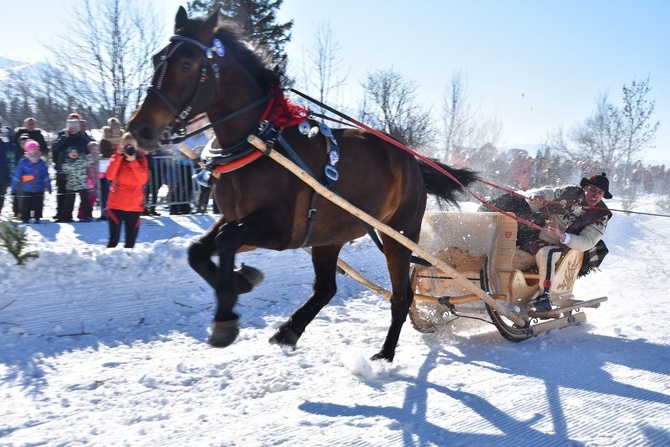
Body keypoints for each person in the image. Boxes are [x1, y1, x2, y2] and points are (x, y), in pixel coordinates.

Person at [520, 173, 613, 312]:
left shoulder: (601, 216)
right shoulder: (569, 191)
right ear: (585, 188)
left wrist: (562, 235)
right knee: (513, 255)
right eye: (593, 190)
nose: (596, 195)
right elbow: (548, 193)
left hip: (564, 249)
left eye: (600, 193)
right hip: (537, 239)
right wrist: (537, 195)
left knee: (547, 253)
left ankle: (544, 296)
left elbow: (586, 242)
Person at [105, 132, 149, 248]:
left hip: (134, 204)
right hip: (116, 204)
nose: (129, 149)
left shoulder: (141, 158)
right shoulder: (116, 157)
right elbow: (109, 176)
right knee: (113, 239)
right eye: (126, 146)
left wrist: (133, 161)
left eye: (132, 146)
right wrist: (119, 157)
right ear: (121, 145)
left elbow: (143, 179)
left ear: (136, 147)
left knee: (131, 240)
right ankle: (109, 261)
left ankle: (129, 263)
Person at [51, 113, 93, 220]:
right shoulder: (62, 135)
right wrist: (66, 137)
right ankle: (62, 214)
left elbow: (88, 149)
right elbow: (56, 148)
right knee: (62, 193)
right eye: (71, 122)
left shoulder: (83, 137)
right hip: (63, 168)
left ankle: (85, 214)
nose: (73, 126)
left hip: (78, 171)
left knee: (81, 194)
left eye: (76, 122)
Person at [10, 139, 51, 223]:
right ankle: (25, 217)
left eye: (35, 151)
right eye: (32, 151)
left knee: (38, 203)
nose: (34, 153)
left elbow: (45, 175)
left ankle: (37, 217)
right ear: (27, 151)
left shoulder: (41, 162)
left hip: (39, 187)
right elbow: (17, 175)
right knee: (26, 204)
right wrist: (13, 187)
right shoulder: (23, 162)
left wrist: (48, 185)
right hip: (27, 187)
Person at [58, 147, 93, 222]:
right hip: (71, 185)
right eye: (72, 152)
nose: (74, 153)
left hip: (82, 184)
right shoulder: (66, 163)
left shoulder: (82, 161)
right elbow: (63, 171)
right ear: (68, 154)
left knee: (85, 201)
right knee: (68, 202)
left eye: (75, 152)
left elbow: (90, 161)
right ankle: (67, 216)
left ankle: (88, 215)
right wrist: (62, 174)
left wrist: (88, 153)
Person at [99, 117, 124, 220]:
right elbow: (104, 152)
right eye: (114, 128)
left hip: (121, 167)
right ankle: (106, 211)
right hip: (108, 166)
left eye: (118, 128)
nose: (117, 130)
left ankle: (121, 211)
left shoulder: (124, 138)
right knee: (107, 190)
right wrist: (117, 152)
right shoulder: (105, 140)